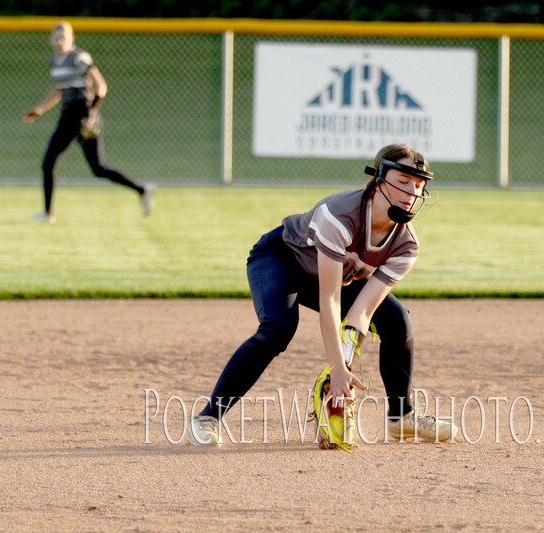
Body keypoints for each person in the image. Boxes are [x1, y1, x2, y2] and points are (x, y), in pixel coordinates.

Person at [188, 144, 458, 447]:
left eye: (419, 185)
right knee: (278, 329)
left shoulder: (405, 245)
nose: (412, 191)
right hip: (282, 259)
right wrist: (337, 369)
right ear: (379, 179)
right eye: (403, 181)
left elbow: (361, 313)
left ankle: (401, 418)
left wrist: (342, 369)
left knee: (396, 320)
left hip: (329, 276)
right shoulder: (340, 216)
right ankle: (208, 417)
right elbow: (331, 299)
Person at [22, 21, 155, 224]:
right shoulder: (54, 60)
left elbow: (101, 86)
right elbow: (60, 91)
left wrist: (92, 112)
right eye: (56, 37)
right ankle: (47, 214)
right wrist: (38, 110)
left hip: (83, 113)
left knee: (98, 168)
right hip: (67, 115)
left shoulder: (79, 58)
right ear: (51, 39)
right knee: (48, 163)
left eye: (63, 37)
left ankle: (143, 190)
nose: (59, 41)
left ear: (71, 39)